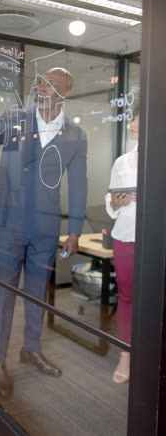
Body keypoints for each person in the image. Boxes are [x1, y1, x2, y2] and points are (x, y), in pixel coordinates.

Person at [0, 67, 87, 397]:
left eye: (51, 84)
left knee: (36, 292)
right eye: (41, 82)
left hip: (45, 226)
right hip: (9, 222)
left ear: (65, 93)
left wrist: (74, 229)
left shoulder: (75, 135)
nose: (43, 87)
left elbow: (78, 185)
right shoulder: (15, 118)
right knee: (4, 293)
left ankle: (30, 349)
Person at [105, 109, 139, 384]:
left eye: (139, 117)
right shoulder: (123, 162)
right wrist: (115, 203)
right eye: (134, 116)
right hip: (126, 237)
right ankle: (125, 355)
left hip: (156, 239)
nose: (133, 123)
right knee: (127, 297)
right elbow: (111, 201)